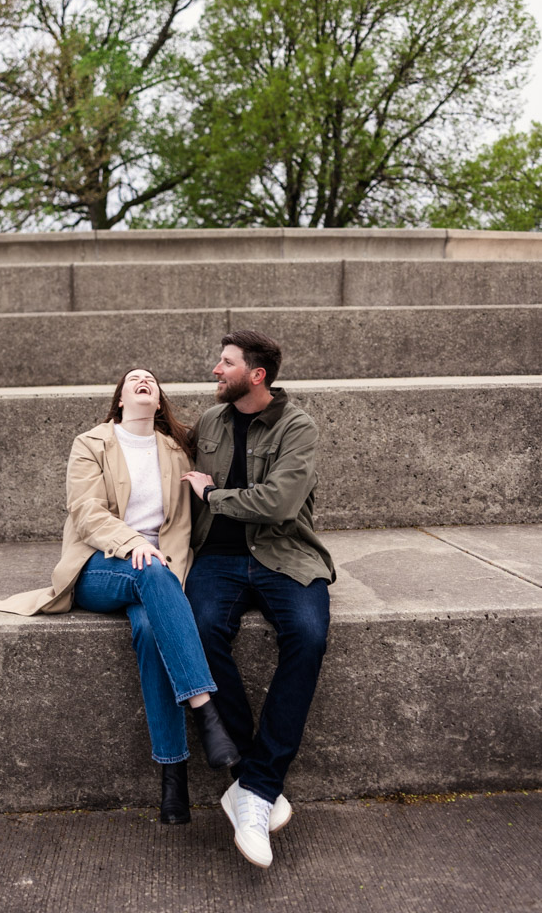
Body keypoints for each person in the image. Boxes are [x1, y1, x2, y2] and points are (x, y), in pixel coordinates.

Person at [0, 367, 239, 824]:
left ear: (158, 401)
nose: (144, 382)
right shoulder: (91, 443)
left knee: (147, 628)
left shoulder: (176, 451)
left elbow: (185, 526)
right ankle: (205, 709)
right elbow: (85, 513)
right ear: (120, 398)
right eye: (133, 379)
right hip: (100, 565)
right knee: (150, 575)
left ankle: (173, 776)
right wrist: (135, 544)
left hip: (158, 571)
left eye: (151, 380)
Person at [181, 330, 336, 868]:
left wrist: (211, 494)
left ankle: (253, 786)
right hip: (218, 560)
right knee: (198, 631)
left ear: (257, 374)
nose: (215, 370)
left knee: (309, 635)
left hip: (283, 553)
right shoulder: (208, 422)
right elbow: (154, 445)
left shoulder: (298, 426)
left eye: (225, 363)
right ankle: (257, 783)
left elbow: (280, 503)